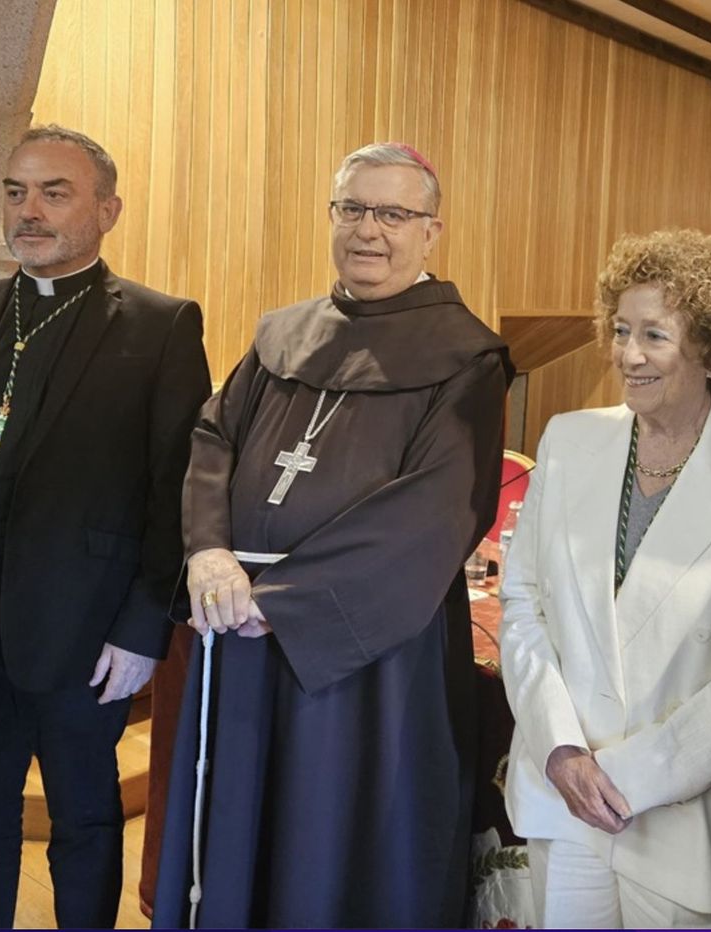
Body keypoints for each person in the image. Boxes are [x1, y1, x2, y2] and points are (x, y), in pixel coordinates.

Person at [151, 142, 513, 928]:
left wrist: (280, 601)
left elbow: (439, 509)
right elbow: (213, 437)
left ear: (431, 232)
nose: (368, 231)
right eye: (352, 209)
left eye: (393, 213)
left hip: (366, 650)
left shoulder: (468, 356)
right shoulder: (285, 333)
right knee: (240, 824)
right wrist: (210, 551)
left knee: (330, 835)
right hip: (237, 626)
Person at [0, 125, 211, 928]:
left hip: (85, 635)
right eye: (17, 192)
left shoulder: (161, 326)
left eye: (56, 193)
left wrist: (141, 629)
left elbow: (175, 492)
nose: (31, 211)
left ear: (107, 209)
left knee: (86, 824)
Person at [498, 230, 711, 928]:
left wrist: (625, 778)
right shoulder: (569, 441)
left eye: (656, 336)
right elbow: (523, 607)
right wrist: (563, 752)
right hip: (561, 795)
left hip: (675, 819)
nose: (629, 355)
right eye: (622, 330)